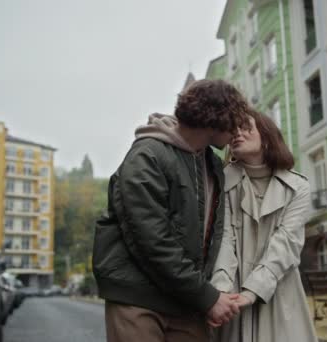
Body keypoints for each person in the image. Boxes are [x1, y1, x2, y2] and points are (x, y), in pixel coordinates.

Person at [94, 79, 251, 342]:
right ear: (217, 118)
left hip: (187, 300)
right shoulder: (147, 156)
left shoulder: (211, 164)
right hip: (139, 298)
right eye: (235, 121)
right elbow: (152, 241)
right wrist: (207, 296)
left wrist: (202, 295)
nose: (237, 131)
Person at [210, 111, 318, 342]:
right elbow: (224, 238)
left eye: (246, 127)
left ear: (267, 137)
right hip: (232, 295)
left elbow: (286, 243)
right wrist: (221, 291)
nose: (237, 132)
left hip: (279, 291)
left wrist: (253, 291)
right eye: (233, 128)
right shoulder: (222, 180)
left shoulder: (297, 186)